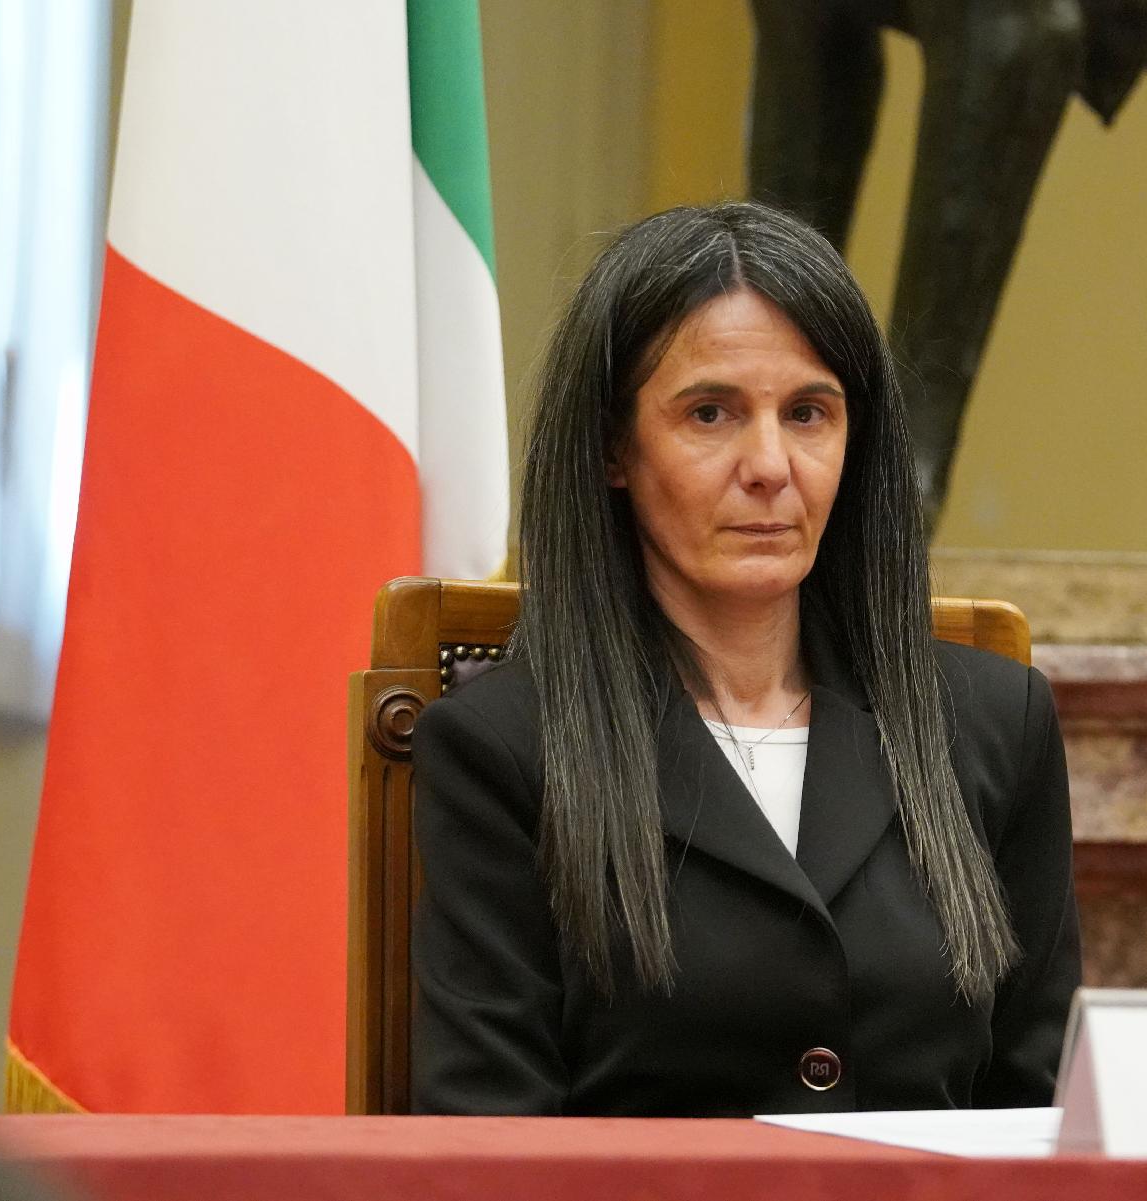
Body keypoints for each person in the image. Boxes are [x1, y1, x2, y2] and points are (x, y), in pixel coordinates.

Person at [409, 201, 1079, 1117]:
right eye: (711, 413)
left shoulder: (996, 723)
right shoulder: (501, 747)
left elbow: (1046, 1118)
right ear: (613, 446)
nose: (770, 464)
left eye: (808, 413)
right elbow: (487, 1135)